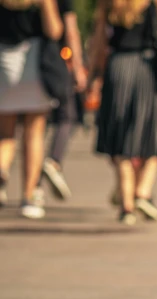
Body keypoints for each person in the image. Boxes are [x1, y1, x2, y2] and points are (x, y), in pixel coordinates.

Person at [89, 0, 157, 225]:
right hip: (148, 68)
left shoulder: (109, 3)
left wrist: (94, 73)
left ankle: (127, 206)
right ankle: (142, 192)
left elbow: (99, 41)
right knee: (153, 133)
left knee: (120, 135)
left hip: (118, 67)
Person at [0, 0, 63, 219]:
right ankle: (29, 197)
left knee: (5, 133)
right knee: (34, 132)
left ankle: (2, 168)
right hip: (34, 60)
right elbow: (54, 30)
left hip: (3, 60)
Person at [33, 0, 87, 206]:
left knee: (32, 128)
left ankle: (32, 186)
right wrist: (78, 67)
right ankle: (53, 161)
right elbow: (69, 32)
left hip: (26, 64)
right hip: (55, 63)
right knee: (67, 116)